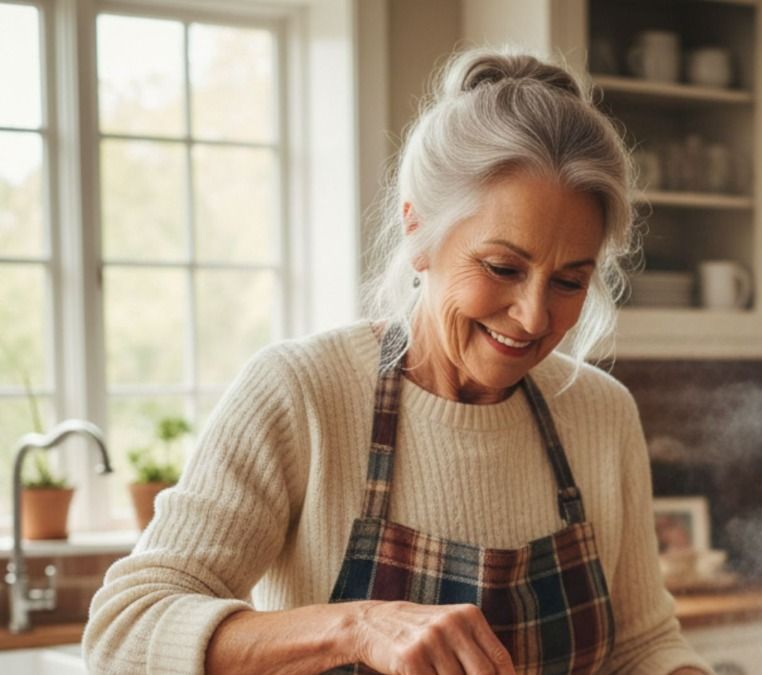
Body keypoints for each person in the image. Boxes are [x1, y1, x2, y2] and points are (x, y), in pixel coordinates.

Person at [83, 48, 713, 675]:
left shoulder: (600, 413)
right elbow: (123, 632)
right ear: (418, 233)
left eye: (570, 281)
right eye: (502, 268)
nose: (533, 316)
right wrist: (355, 625)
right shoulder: (303, 394)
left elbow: (642, 646)